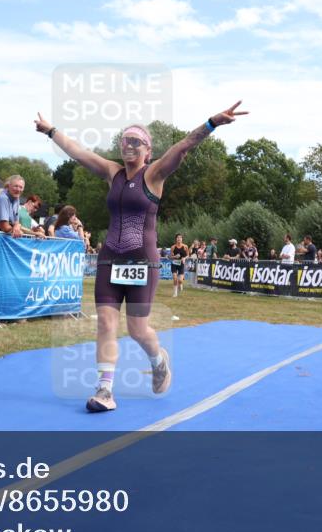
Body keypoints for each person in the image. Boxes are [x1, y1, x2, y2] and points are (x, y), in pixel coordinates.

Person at [35, 100, 247, 412]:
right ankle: (105, 390)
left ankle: (158, 359)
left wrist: (212, 123)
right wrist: (51, 131)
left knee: (136, 330)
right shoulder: (112, 172)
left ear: (147, 150)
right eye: (125, 140)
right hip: (110, 260)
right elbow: (79, 153)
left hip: (141, 263)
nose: (129, 145)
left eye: (136, 142)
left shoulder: (155, 174)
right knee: (106, 323)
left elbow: (184, 146)